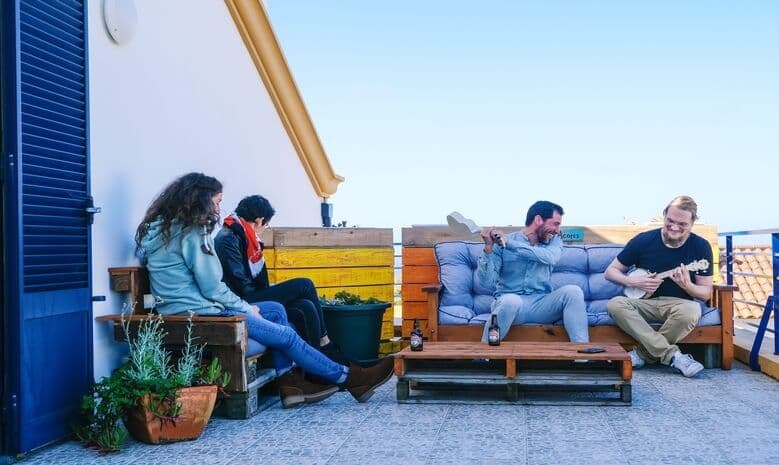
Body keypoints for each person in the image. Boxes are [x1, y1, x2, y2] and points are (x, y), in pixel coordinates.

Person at [134, 172, 394, 408]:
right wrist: (247, 308)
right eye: (216, 201)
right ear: (199, 201)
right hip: (200, 314)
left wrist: (251, 306)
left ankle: (291, 385)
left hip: (186, 308)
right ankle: (350, 378)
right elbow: (212, 287)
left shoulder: (167, 230)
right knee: (287, 334)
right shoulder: (193, 234)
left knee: (277, 309)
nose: (218, 208)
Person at [214, 195, 346, 364]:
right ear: (259, 220)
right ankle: (326, 343)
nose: (265, 228)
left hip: (249, 293)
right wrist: (277, 292)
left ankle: (316, 368)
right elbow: (242, 285)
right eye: (266, 224)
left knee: (306, 306)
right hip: (241, 300)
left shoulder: (245, 236)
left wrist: (275, 291)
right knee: (304, 285)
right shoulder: (228, 238)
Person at [605, 195, 713, 378]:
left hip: (678, 305)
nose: (674, 227)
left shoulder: (700, 247)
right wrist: (633, 281)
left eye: (682, 224)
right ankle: (673, 356)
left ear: (692, 223)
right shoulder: (644, 240)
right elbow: (610, 272)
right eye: (670, 221)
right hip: (644, 304)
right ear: (664, 215)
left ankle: (641, 355)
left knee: (692, 310)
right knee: (615, 304)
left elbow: (705, 293)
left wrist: (688, 286)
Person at [478, 200, 589, 344]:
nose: (557, 229)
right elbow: (486, 282)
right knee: (511, 301)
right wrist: (488, 249)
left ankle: (583, 357)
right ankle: (484, 354)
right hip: (509, 306)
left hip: (542, 305)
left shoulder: (554, 241)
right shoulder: (501, 243)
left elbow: (550, 257)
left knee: (573, 291)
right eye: (555, 223)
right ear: (538, 220)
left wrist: (510, 244)